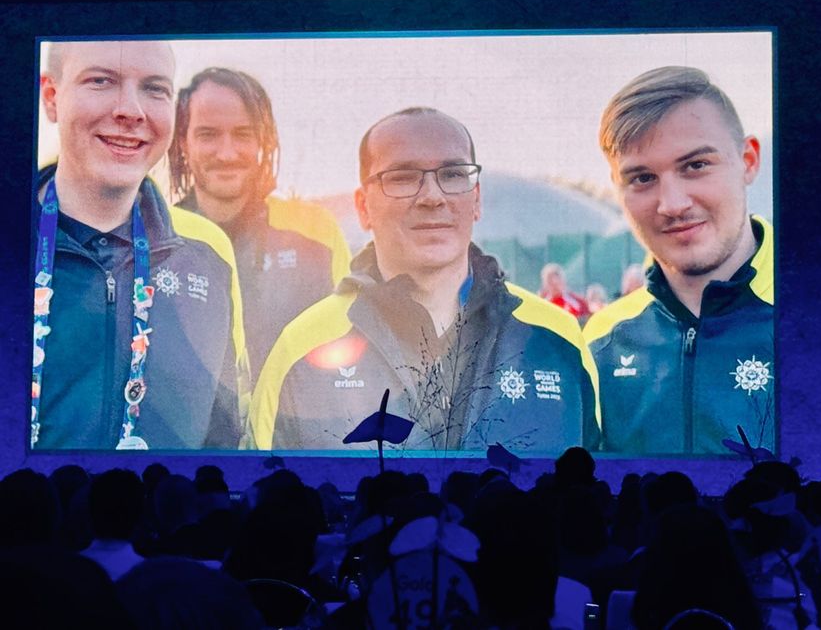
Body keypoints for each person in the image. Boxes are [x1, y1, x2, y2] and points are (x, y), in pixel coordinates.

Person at [250, 107, 600, 453]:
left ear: (476, 199)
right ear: (363, 207)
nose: (433, 197)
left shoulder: (558, 340)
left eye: (452, 174)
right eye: (402, 177)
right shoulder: (301, 347)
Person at [34, 41, 248, 450]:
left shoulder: (205, 258)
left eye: (154, 88)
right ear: (51, 97)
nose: (131, 110)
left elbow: (224, 440)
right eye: (101, 81)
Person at [584, 66, 774, 454]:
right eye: (642, 178)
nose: (672, 205)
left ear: (748, 161)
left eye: (696, 165)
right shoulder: (600, 341)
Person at [168, 67, 351, 381]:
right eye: (207, 134)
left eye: (243, 134)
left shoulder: (316, 232)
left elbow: (351, 343)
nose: (226, 153)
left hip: (295, 430)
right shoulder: (158, 238)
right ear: (182, 142)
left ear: (263, 140)